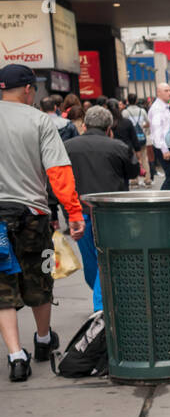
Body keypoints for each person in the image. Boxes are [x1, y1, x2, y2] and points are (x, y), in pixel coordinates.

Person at [0, 64, 85, 382]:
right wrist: (74, 214)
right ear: (27, 89)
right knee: (40, 278)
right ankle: (43, 339)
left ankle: (15, 356)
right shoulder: (40, 121)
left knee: (2, 286)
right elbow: (58, 173)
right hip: (33, 216)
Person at [63, 105, 137, 311]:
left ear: (84, 125)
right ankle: (101, 306)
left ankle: (100, 304)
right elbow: (132, 172)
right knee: (104, 260)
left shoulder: (68, 147)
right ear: (109, 128)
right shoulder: (119, 147)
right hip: (110, 213)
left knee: (91, 261)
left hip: (79, 212)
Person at [148, 83, 170, 190]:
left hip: (168, 145)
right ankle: (162, 200)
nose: (169, 93)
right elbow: (157, 132)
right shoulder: (157, 108)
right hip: (163, 147)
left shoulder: (165, 107)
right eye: (166, 90)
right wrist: (164, 150)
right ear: (158, 93)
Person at [122, 94, 150, 186]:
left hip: (130, 139)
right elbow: (148, 122)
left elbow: (124, 124)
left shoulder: (125, 112)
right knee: (144, 158)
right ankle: (147, 178)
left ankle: (134, 179)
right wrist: (142, 127)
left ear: (127, 101)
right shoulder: (142, 111)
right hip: (141, 138)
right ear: (137, 100)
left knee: (132, 159)